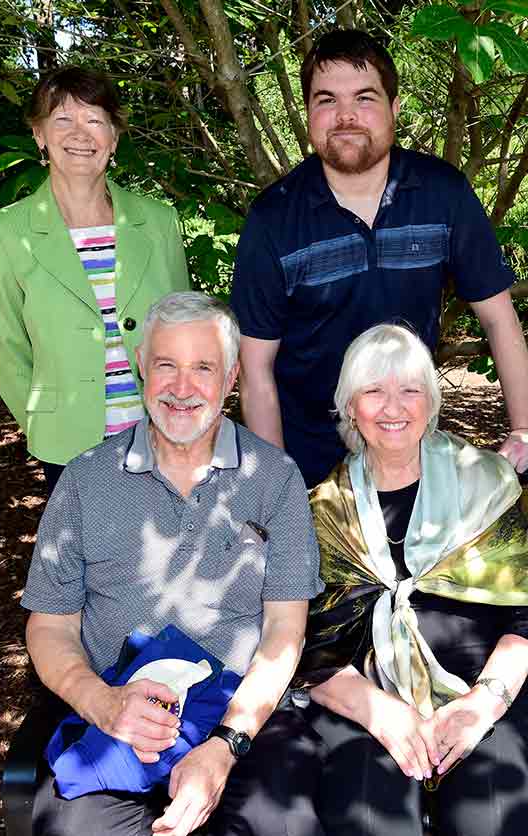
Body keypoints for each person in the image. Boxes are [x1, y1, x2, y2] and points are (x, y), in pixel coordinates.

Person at [21, 292, 324, 836]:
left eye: (202, 368)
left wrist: (224, 747)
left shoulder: (274, 479)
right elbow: (49, 624)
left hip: (242, 712)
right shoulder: (86, 481)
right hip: (114, 709)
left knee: (282, 825)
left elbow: (285, 632)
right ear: (142, 366)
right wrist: (103, 703)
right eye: (166, 365)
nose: (182, 389)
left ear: (231, 377)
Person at [231, 29, 528, 488]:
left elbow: (498, 316)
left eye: (364, 98)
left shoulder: (443, 194)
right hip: (310, 468)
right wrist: (277, 486)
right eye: (326, 100)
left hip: (413, 452)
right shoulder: (273, 219)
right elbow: (255, 367)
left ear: (394, 109)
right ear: (309, 114)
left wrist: (525, 430)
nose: (346, 116)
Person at [295, 323, 528, 835]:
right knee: (370, 816)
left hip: (489, 681)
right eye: (374, 391)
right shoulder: (325, 509)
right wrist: (384, 715)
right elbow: (313, 647)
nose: (394, 408)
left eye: (409, 390)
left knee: (490, 813)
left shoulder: (480, 479)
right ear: (350, 406)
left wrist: (480, 705)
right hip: (368, 694)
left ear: (430, 400)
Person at [0, 66, 190, 498]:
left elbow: (185, 329)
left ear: (113, 138)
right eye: (62, 120)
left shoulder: (159, 221)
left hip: (164, 435)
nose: (80, 133)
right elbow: (7, 349)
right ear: (39, 134)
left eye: (95, 120)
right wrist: (43, 420)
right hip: (68, 444)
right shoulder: (2, 232)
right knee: (87, 562)